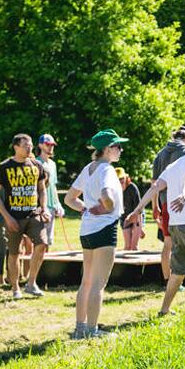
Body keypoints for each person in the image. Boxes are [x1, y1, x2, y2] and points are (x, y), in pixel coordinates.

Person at [126, 129, 185, 314]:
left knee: (178, 271)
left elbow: (155, 186)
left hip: (176, 225)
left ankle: (164, 310)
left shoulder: (175, 164)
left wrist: (137, 210)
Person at [64, 129, 128, 338]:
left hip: (87, 230)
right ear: (107, 149)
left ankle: (80, 328)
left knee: (87, 282)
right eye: (118, 146)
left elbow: (69, 198)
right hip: (105, 229)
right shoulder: (107, 170)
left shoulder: (89, 168)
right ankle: (92, 330)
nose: (121, 150)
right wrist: (106, 208)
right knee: (99, 284)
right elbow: (107, 196)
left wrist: (85, 209)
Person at [0, 134, 49, 299]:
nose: (29, 148)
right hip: (14, 217)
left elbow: (42, 189)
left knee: (42, 244)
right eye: (25, 145)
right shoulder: (4, 167)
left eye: (30, 145)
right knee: (14, 253)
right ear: (16, 147)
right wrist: (7, 217)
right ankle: (15, 288)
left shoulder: (36, 165)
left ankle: (31, 283)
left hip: (34, 214)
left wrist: (44, 208)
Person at [151, 127, 185, 283]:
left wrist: (155, 206)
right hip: (179, 201)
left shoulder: (160, 153)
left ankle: (167, 278)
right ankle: (176, 280)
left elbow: (154, 182)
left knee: (168, 242)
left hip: (164, 201)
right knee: (179, 242)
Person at [36, 134, 65, 255]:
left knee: (48, 240)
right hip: (41, 207)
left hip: (52, 207)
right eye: (48, 145)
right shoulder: (36, 163)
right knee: (40, 242)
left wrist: (58, 204)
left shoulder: (53, 164)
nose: (50, 147)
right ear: (40, 145)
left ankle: (43, 270)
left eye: (52, 145)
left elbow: (53, 186)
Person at [116, 167, 144, 250]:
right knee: (127, 246)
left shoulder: (132, 188)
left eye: (122, 178)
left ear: (126, 177)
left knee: (134, 246)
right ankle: (125, 263)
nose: (121, 181)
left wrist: (140, 227)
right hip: (124, 217)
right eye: (118, 179)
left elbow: (139, 207)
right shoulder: (114, 190)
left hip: (136, 214)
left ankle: (138, 262)